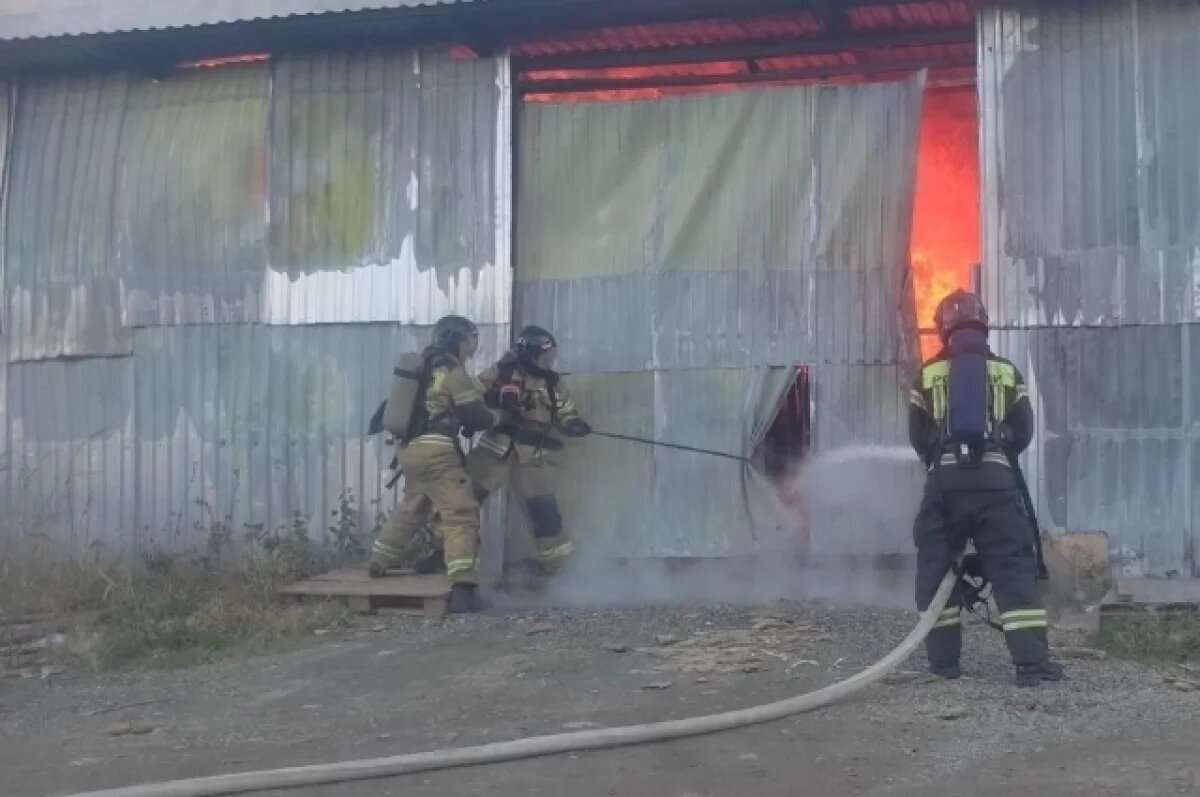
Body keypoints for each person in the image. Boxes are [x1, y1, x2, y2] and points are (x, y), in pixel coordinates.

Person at [909, 289, 1064, 687]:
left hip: (945, 486)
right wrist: (996, 452)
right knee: (1013, 570)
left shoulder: (926, 374)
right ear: (983, 323)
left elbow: (919, 436)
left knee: (936, 567)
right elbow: (1023, 431)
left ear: (943, 328)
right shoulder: (1008, 373)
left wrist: (942, 461)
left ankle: (944, 665)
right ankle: (1031, 666)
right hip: (997, 485)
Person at [367, 315, 503, 614]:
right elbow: (475, 416)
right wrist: (498, 418)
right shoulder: (451, 371)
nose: (471, 348)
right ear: (458, 340)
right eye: (469, 341)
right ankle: (464, 591)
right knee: (461, 514)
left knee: (414, 505)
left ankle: (379, 561)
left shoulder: (423, 368)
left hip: (410, 451)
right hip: (438, 452)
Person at [466, 325, 591, 582]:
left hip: (533, 459)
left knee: (545, 515)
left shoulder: (553, 383)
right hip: (494, 453)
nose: (548, 362)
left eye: (551, 357)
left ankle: (559, 572)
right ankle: (444, 555)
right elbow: (468, 398)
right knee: (464, 501)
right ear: (528, 355)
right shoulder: (498, 373)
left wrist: (572, 424)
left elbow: (566, 411)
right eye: (543, 357)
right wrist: (494, 405)